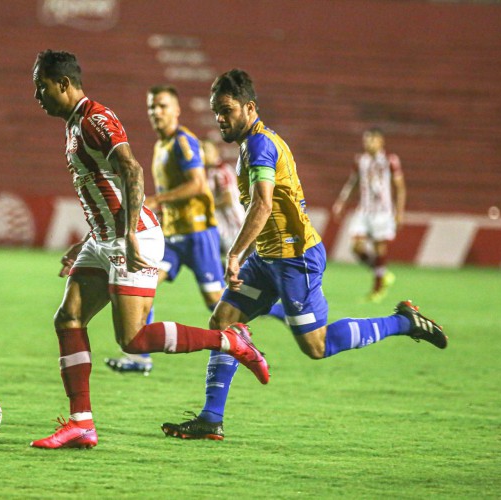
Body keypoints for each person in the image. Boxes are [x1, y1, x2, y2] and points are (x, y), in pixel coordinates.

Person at [161, 69, 447, 441]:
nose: (220, 118)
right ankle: (211, 419)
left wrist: (234, 254)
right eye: (216, 110)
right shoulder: (251, 144)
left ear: (249, 108)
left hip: (296, 259)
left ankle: (404, 322)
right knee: (224, 320)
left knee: (317, 345)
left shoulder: (261, 145)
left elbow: (263, 204)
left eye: (227, 110)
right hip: (268, 258)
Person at [29, 50, 270, 450]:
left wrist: (127, 235)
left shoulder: (95, 119)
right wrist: (88, 240)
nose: (37, 95)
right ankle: (81, 424)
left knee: (134, 340)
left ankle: (231, 341)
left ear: (64, 84)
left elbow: (132, 170)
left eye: (42, 86)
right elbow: (104, 188)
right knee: (68, 319)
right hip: (105, 237)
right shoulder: (73, 125)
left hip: (131, 237)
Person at [104, 85, 224, 375]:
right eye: (152, 108)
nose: (156, 113)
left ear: (177, 110)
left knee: (218, 304)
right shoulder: (161, 146)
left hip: (198, 234)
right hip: (173, 235)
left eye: (162, 106)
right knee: (145, 281)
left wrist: (157, 200)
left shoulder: (184, 142)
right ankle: (140, 356)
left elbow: (197, 184)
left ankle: (272, 313)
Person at [332, 127, 406, 302]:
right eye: (366, 140)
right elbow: (353, 182)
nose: (368, 143)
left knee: (380, 248)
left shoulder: (390, 160)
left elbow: (400, 188)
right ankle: (382, 273)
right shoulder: (360, 161)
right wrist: (341, 201)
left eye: (372, 140)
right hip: (364, 211)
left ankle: (377, 289)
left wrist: (400, 212)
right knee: (356, 246)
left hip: (383, 212)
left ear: (381, 141)